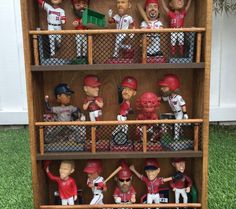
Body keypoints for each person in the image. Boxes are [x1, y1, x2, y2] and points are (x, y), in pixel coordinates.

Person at [158, 74, 188, 140]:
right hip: (175, 113)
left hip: (180, 113)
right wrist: (154, 98)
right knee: (165, 118)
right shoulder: (169, 97)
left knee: (177, 124)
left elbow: (183, 105)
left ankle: (176, 138)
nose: (162, 88)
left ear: (172, 87)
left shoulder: (178, 97)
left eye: (164, 87)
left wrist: (185, 114)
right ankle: (166, 135)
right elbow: (162, 99)